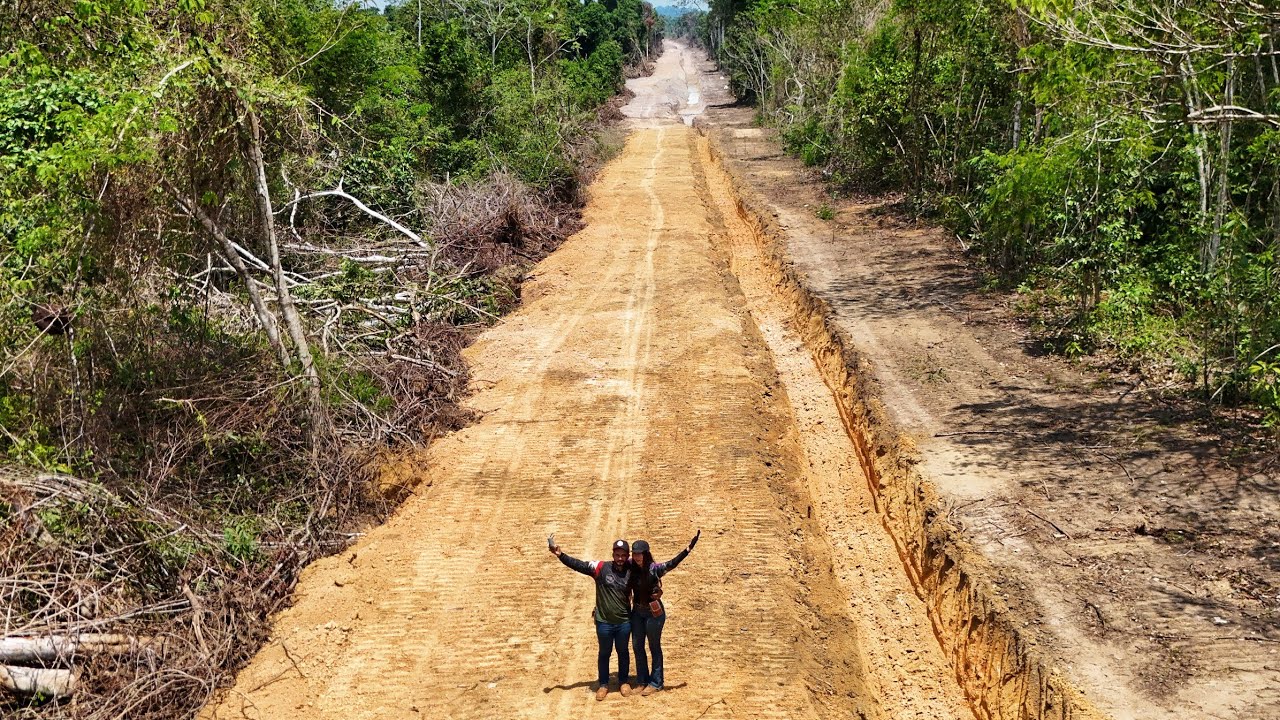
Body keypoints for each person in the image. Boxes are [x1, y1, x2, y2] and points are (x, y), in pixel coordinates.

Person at [549, 537, 635, 701]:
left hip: (624, 621)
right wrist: (560, 554)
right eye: (617, 555)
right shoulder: (601, 567)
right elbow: (579, 565)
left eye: (623, 555)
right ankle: (603, 684)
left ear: (627, 555)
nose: (620, 559)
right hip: (604, 622)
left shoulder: (632, 571)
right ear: (613, 554)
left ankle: (623, 682)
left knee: (623, 652)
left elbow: (650, 573)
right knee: (604, 653)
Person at [629, 529, 699, 696]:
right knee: (637, 646)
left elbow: (672, 563)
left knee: (654, 646)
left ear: (646, 554)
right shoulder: (630, 567)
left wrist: (688, 550)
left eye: (640, 554)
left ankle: (656, 682)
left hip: (654, 613)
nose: (637, 557)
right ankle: (642, 680)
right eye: (635, 554)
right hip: (637, 612)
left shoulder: (654, 569)